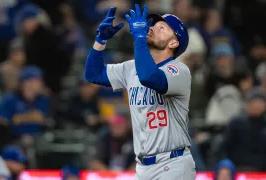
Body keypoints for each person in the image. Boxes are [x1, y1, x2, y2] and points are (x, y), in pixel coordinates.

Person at [84, 4, 195, 180]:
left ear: (174, 43)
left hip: (173, 163)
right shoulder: (132, 68)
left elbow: (149, 77)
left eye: (162, 28)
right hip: (142, 167)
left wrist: (139, 38)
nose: (153, 28)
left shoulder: (179, 70)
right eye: (153, 25)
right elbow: (93, 74)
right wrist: (100, 41)